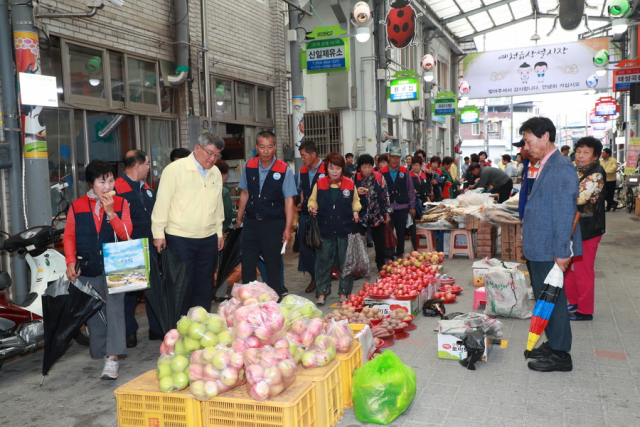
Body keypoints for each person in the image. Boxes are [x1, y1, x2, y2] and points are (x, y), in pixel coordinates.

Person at [519, 116, 582, 372]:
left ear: (545, 136)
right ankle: (554, 342)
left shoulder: (561, 167)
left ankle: (560, 355)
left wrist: (560, 252)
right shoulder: (546, 163)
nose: (526, 147)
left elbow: (564, 213)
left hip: (549, 248)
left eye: (528, 140)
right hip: (541, 245)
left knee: (553, 300)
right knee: (547, 299)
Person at [63, 160, 132, 380]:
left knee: (114, 310)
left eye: (111, 180)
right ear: (91, 183)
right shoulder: (77, 206)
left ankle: (112, 359)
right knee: (93, 312)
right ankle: (103, 352)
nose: (107, 185)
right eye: (102, 180)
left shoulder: (121, 203)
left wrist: (111, 213)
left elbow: (126, 235)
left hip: (117, 266)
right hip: (88, 265)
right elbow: (69, 236)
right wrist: (70, 261)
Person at [152, 133, 225, 315]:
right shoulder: (175, 169)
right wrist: (158, 232)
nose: (212, 159)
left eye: (217, 155)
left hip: (208, 238)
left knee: (205, 285)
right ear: (197, 148)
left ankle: (201, 326)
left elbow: (218, 205)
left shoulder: (215, 172)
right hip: (180, 238)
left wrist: (219, 232)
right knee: (182, 286)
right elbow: (163, 202)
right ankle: (180, 328)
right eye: (209, 153)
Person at [236, 131, 296, 298]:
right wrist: (239, 218)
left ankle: (274, 301)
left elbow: (289, 201)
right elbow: (245, 193)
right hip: (251, 223)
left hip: (273, 224)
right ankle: (248, 301)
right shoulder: (249, 166)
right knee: (247, 264)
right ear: (256, 148)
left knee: (272, 265)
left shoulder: (284, 169)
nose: (266, 151)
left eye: (269, 147)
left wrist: (288, 228)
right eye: (262, 147)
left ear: (275, 147)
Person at [114, 150, 162, 347]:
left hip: (150, 243)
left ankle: (156, 328)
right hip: (129, 246)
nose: (149, 168)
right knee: (130, 292)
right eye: (147, 164)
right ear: (137, 166)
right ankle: (129, 332)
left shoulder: (147, 187)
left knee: (153, 286)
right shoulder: (117, 188)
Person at [308, 153, 361, 305]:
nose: (334, 171)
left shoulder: (350, 184)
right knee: (323, 262)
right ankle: (322, 293)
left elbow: (356, 202)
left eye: (337, 168)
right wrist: (312, 207)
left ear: (342, 169)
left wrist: (356, 211)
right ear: (327, 168)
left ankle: (344, 293)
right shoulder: (320, 183)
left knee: (346, 263)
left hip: (345, 229)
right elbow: (312, 200)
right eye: (331, 168)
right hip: (325, 230)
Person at [565, 137, 605, 322]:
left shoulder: (596, 174)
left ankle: (585, 310)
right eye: (579, 151)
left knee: (583, 269)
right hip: (574, 226)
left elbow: (579, 199)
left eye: (586, 152)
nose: (581, 156)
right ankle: (574, 301)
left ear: (595, 155)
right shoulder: (576, 169)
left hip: (588, 229)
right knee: (570, 267)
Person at [354, 154, 392, 271]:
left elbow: (386, 195)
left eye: (369, 166)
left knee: (379, 242)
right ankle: (360, 267)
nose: (367, 170)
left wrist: (387, 212)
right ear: (360, 168)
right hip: (361, 216)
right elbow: (348, 195)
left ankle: (380, 264)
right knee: (359, 242)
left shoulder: (379, 177)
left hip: (377, 214)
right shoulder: (355, 179)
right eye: (364, 167)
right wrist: (355, 191)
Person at [297, 140, 325, 294]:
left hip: (323, 215)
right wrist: (301, 203)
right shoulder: (302, 171)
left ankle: (322, 279)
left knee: (322, 248)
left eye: (304, 155)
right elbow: (302, 190)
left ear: (313, 155)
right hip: (306, 215)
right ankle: (315, 277)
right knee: (305, 247)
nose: (302, 158)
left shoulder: (326, 169)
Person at [380, 147, 415, 259]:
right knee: (387, 232)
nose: (395, 160)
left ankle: (400, 253)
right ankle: (388, 254)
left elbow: (410, 189)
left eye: (397, 157)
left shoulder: (404, 171)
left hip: (402, 206)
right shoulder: (382, 171)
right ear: (389, 157)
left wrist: (412, 206)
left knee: (401, 232)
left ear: (400, 158)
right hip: (387, 208)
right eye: (393, 157)